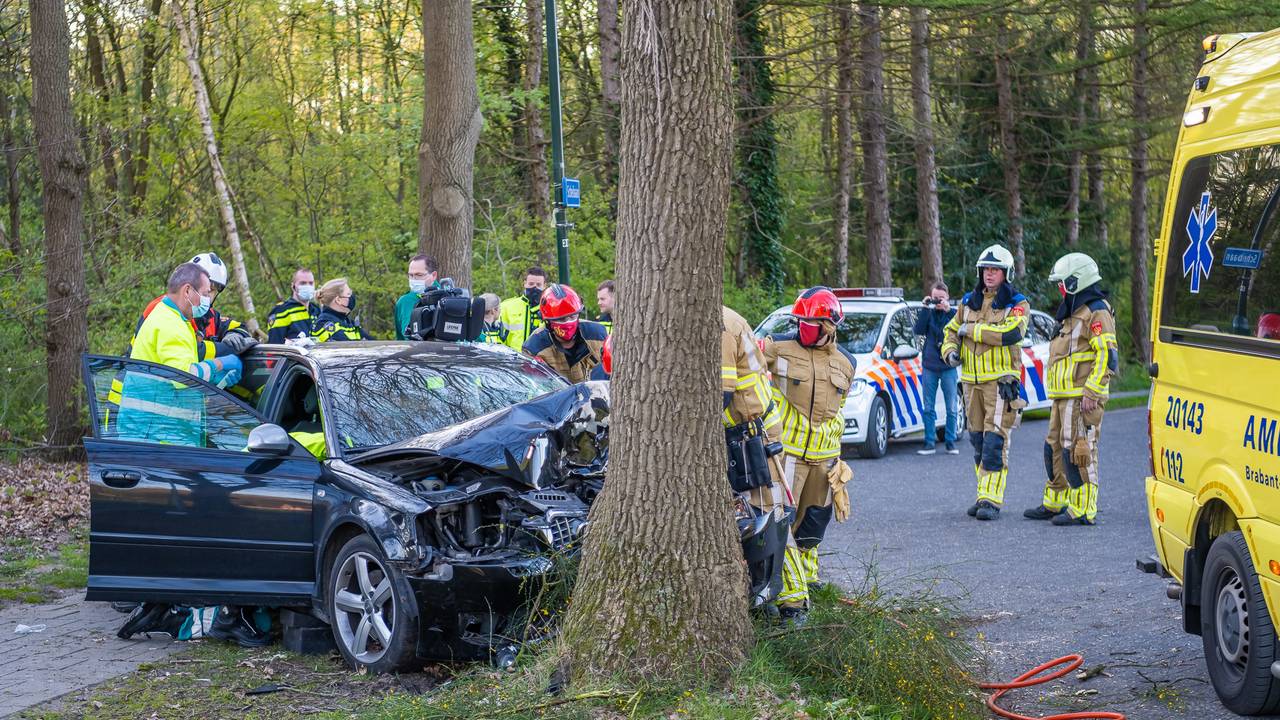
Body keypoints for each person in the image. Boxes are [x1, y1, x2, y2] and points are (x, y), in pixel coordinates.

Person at [114, 262, 269, 648]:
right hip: (159, 439)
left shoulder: (173, 320)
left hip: (165, 436)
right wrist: (223, 365)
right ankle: (170, 606)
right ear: (187, 291)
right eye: (204, 293)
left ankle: (162, 602)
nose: (207, 301)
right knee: (175, 526)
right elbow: (183, 379)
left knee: (168, 526)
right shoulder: (168, 324)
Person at [762, 287, 855, 625]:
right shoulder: (778, 347)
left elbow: (838, 410)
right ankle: (793, 603)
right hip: (786, 458)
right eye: (800, 322)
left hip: (827, 462)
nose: (803, 329)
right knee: (780, 526)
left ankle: (807, 582)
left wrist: (837, 466)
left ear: (830, 325)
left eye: (811, 324)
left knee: (811, 531)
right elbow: (751, 368)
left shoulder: (846, 363)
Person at [1024, 253, 1118, 526]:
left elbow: (1107, 355)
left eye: (1062, 283)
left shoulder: (1096, 310)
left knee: (1078, 450)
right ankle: (1055, 502)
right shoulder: (1072, 311)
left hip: (1082, 398)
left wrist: (1092, 391)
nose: (1059, 288)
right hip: (1062, 397)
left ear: (1077, 281)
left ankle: (1083, 509)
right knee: (1053, 448)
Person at [940, 244, 1031, 521]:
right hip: (970, 382)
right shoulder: (968, 301)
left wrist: (974, 330)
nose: (989, 274)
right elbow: (951, 331)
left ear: (1006, 273)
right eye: (986, 269)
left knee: (995, 442)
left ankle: (992, 499)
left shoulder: (1017, 303)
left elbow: (1011, 333)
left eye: (995, 270)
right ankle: (982, 494)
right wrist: (950, 352)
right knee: (978, 441)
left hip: (1000, 382)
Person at [521, 284, 608, 383]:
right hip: (559, 398)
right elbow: (537, 388)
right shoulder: (534, 347)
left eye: (572, 316)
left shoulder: (598, 335)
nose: (568, 323)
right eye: (561, 319)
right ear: (548, 322)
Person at [913, 282, 960, 455]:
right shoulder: (929, 312)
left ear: (947, 298)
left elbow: (959, 329)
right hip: (930, 366)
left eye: (941, 298)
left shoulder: (954, 314)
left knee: (951, 407)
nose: (938, 301)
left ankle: (950, 442)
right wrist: (925, 307)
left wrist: (949, 311)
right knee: (928, 407)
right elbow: (918, 330)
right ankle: (929, 443)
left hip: (948, 366)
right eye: (935, 298)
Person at [499, 266, 548, 351]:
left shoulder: (550, 309)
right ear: (525, 283)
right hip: (513, 360)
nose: (534, 287)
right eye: (531, 284)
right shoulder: (506, 307)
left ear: (544, 286)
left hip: (541, 361)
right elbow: (497, 336)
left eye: (538, 285)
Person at [266, 268, 319, 343]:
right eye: (303, 283)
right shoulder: (281, 310)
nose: (307, 286)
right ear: (293, 286)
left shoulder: (316, 310)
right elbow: (275, 345)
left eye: (311, 283)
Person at [395, 254, 439, 340]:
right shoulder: (405, 302)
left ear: (433, 275)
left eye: (419, 275)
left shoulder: (447, 300)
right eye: (411, 275)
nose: (414, 280)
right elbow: (403, 339)